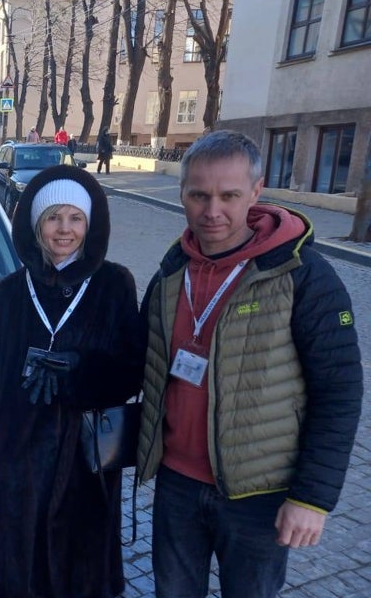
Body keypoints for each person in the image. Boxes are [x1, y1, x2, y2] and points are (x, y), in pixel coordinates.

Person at [137, 130, 363, 598]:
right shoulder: (172, 270)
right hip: (177, 485)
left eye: (229, 195)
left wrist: (312, 498)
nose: (212, 210)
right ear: (183, 193)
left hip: (259, 494)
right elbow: (138, 359)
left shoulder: (302, 274)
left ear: (256, 192)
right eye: (198, 194)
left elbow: (339, 391)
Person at [0, 165, 145, 598]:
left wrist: (80, 373)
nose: (64, 230)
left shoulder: (113, 285)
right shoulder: (8, 293)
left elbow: (131, 369)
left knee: (80, 573)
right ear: (35, 225)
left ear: (90, 224)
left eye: (75, 218)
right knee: (20, 574)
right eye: (53, 218)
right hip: (17, 461)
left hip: (84, 461)